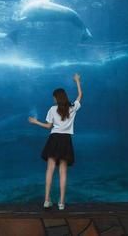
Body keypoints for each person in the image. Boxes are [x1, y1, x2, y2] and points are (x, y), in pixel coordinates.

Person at [28, 73, 83, 210]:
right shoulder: (72, 108)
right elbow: (80, 95)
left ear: (56, 98)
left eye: (54, 97)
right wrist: (77, 81)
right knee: (63, 172)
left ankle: (47, 200)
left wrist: (35, 122)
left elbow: (48, 126)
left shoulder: (52, 109)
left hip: (54, 140)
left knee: (50, 170)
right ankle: (62, 202)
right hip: (66, 140)